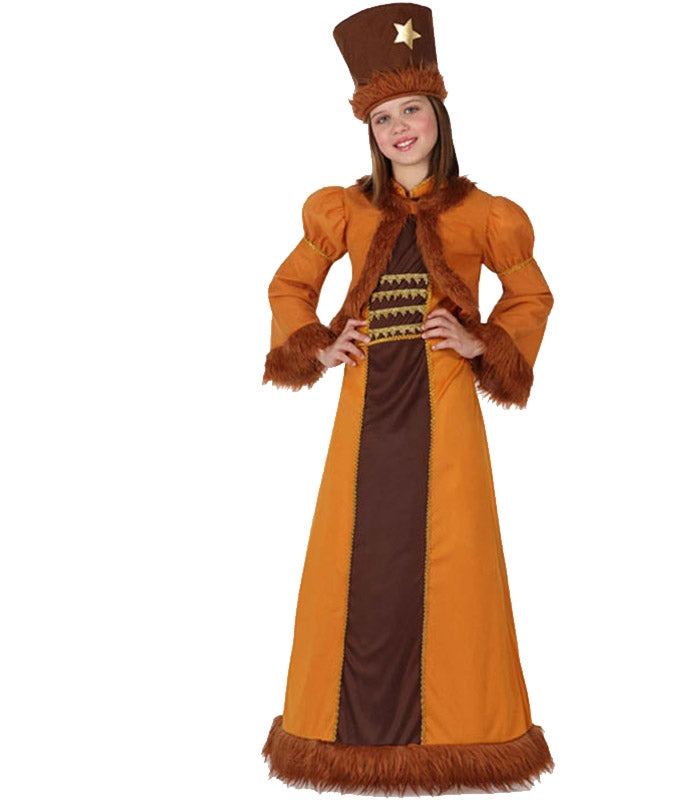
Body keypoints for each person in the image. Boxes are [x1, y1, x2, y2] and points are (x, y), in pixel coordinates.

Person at [260, 3, 555, 794]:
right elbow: (290, 285)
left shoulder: (486, 215)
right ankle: (341, 737)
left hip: (446, 415)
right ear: (370, 129)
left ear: (438, 115)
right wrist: (317, 342)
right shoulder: (345, 209)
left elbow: (530, 296)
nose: (399, 128)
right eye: (383, 117)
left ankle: (463, 735)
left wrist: (484, 342)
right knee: (353, 560)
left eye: (411, 110)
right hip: (364, 418)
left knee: (453, 560)